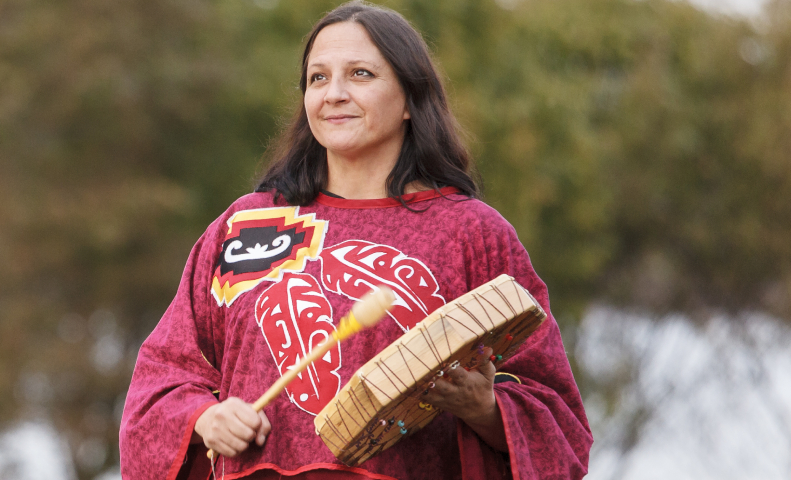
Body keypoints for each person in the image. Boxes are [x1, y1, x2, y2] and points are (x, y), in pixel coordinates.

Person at [119, 2, 591, 479]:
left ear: (410, 99)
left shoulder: (472, 234)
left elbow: (559, 424)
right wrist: (204, 418)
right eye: (318, 78)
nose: (334, 94)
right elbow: (162, 379)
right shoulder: (247, 226)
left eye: (361, 74)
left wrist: (485, 410)